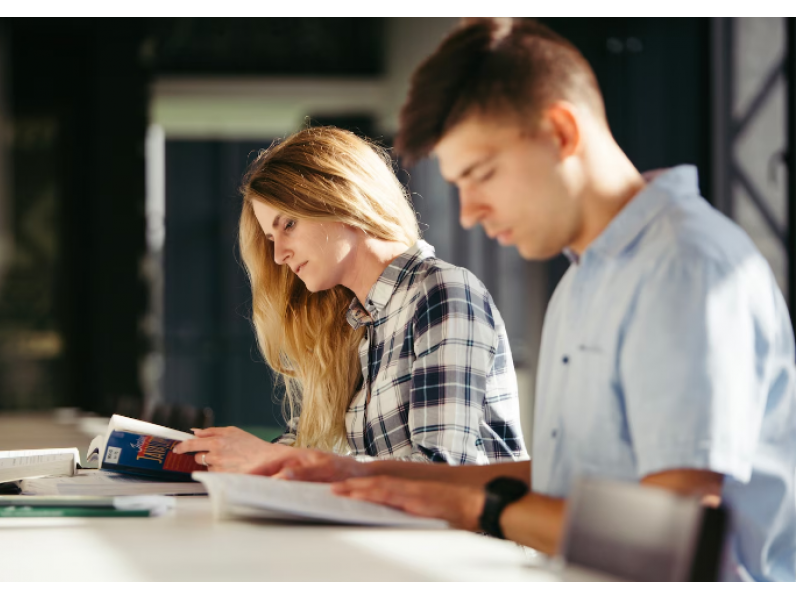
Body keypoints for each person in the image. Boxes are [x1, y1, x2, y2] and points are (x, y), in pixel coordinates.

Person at [251, 19, 796, 582]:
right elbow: (566, 484)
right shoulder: (584, 279)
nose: (467, 213)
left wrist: (479, 508)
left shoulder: (683, 267)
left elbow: (677, 534)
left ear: (560, 131)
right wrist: (343, 475)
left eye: (481, 174)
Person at [173, 126, 526, 473]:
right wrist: (218, 461)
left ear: (340, 199)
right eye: (270, 237)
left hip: (453, 533)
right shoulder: (353, 321)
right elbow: (305, 448)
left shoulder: (440, 292)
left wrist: (275, 462)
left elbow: (444, 472)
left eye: (289, 224)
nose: (278, 254)